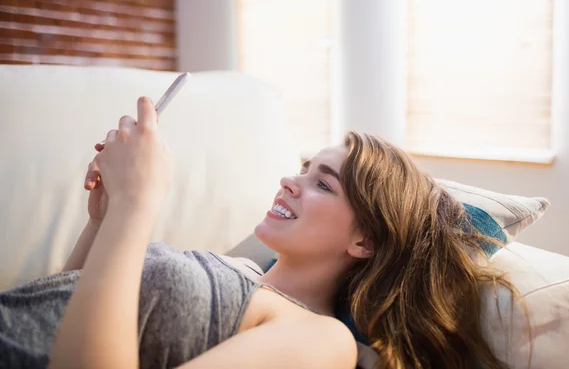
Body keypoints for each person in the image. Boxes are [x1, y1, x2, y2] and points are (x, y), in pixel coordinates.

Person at [0, 96, 522, 369]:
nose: (290, 182)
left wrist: (137, 207)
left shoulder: (324, 341)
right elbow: (55, 317)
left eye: (323, 183)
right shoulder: (243, 270)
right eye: (303, 168)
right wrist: (104, 219)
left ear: (364, 241)